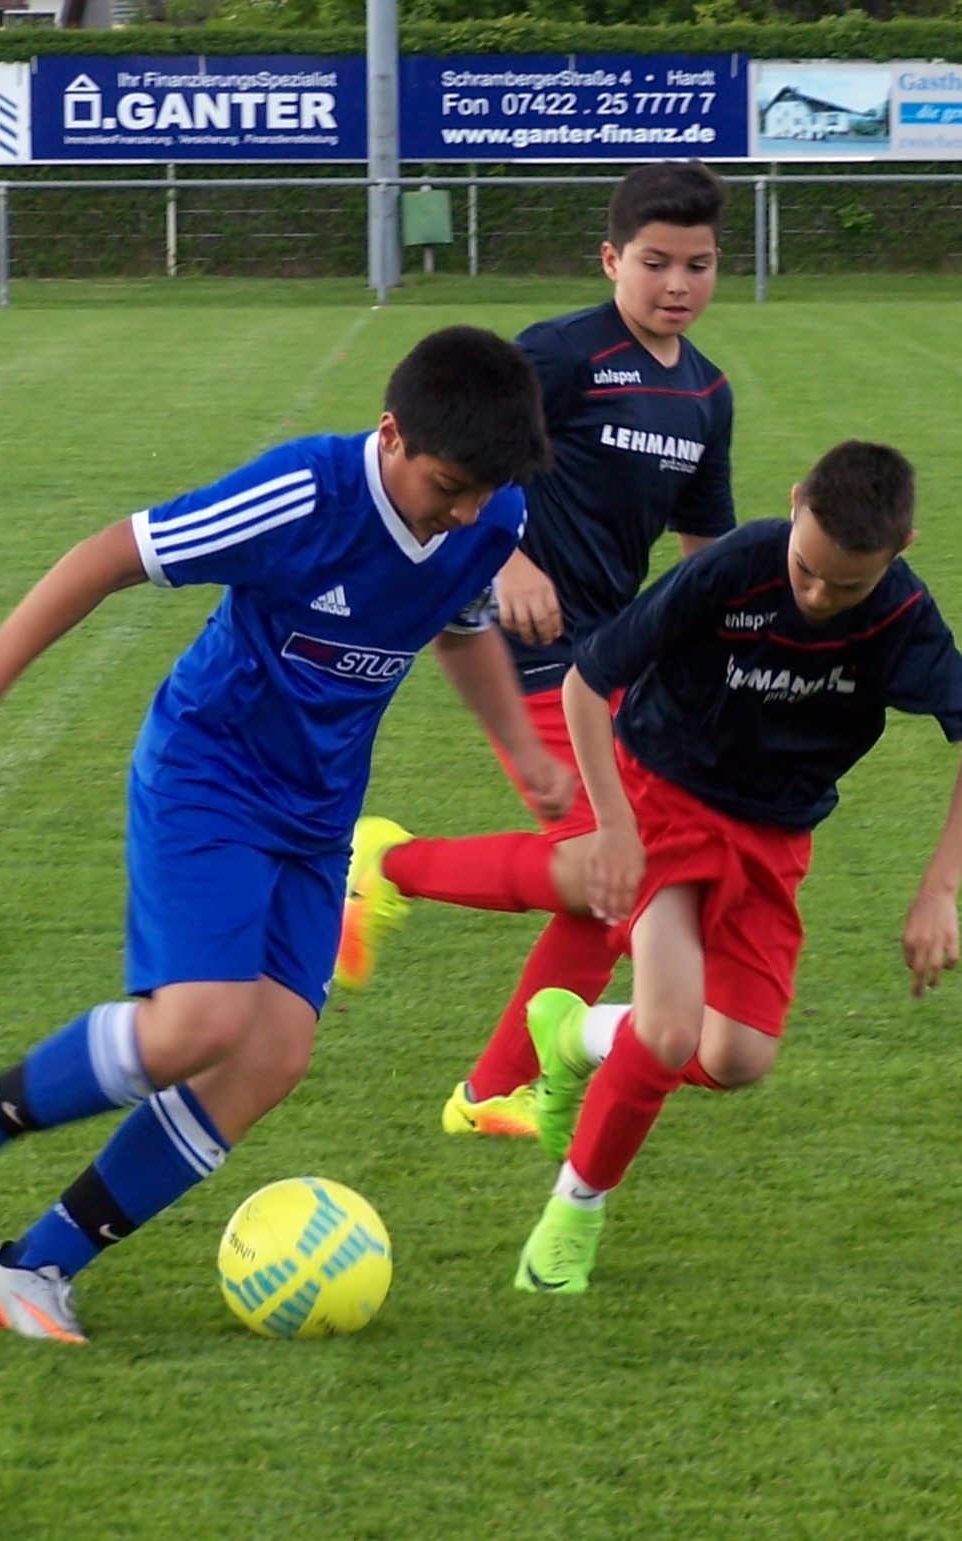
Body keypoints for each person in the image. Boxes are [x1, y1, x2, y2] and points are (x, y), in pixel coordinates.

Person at [0, 325, 564, 1343]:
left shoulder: (492, 510)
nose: (462, 510)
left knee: (270, 1054)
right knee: (198, 1020)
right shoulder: (303, 492)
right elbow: (116, 552)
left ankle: (34, 1267)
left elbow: (459, 625)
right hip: (211, 771)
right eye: (447, 483)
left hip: (318, 815)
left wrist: (525, 751)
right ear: (389, 435)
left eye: (481, 492)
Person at [511, 440, 962, 1294]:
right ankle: (572, 1213)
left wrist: (938, 890)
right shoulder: (735, 567)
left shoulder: (899, 614)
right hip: (662, 796)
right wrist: (618, 824)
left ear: (900, 551)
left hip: (772, 833)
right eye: (806, 568)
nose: (816, 595)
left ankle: (572, 1034)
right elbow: (584, 686)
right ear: (793, 505)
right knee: (668, 1030)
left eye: (844, 584)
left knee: (737, 1056)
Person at [334, 162, 736, 1141]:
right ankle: (390, 864)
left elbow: (704, 549)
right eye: (654, 262)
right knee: (610, 861)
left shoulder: (707, 393)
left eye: (699, 264)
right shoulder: (561, 356)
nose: (676, 283)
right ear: (611, 258)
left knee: (610, 886)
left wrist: (720, 653)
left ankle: (490, 1091)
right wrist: (507, 555)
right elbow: (441, 450)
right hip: (525, 640)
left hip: (614, 656)